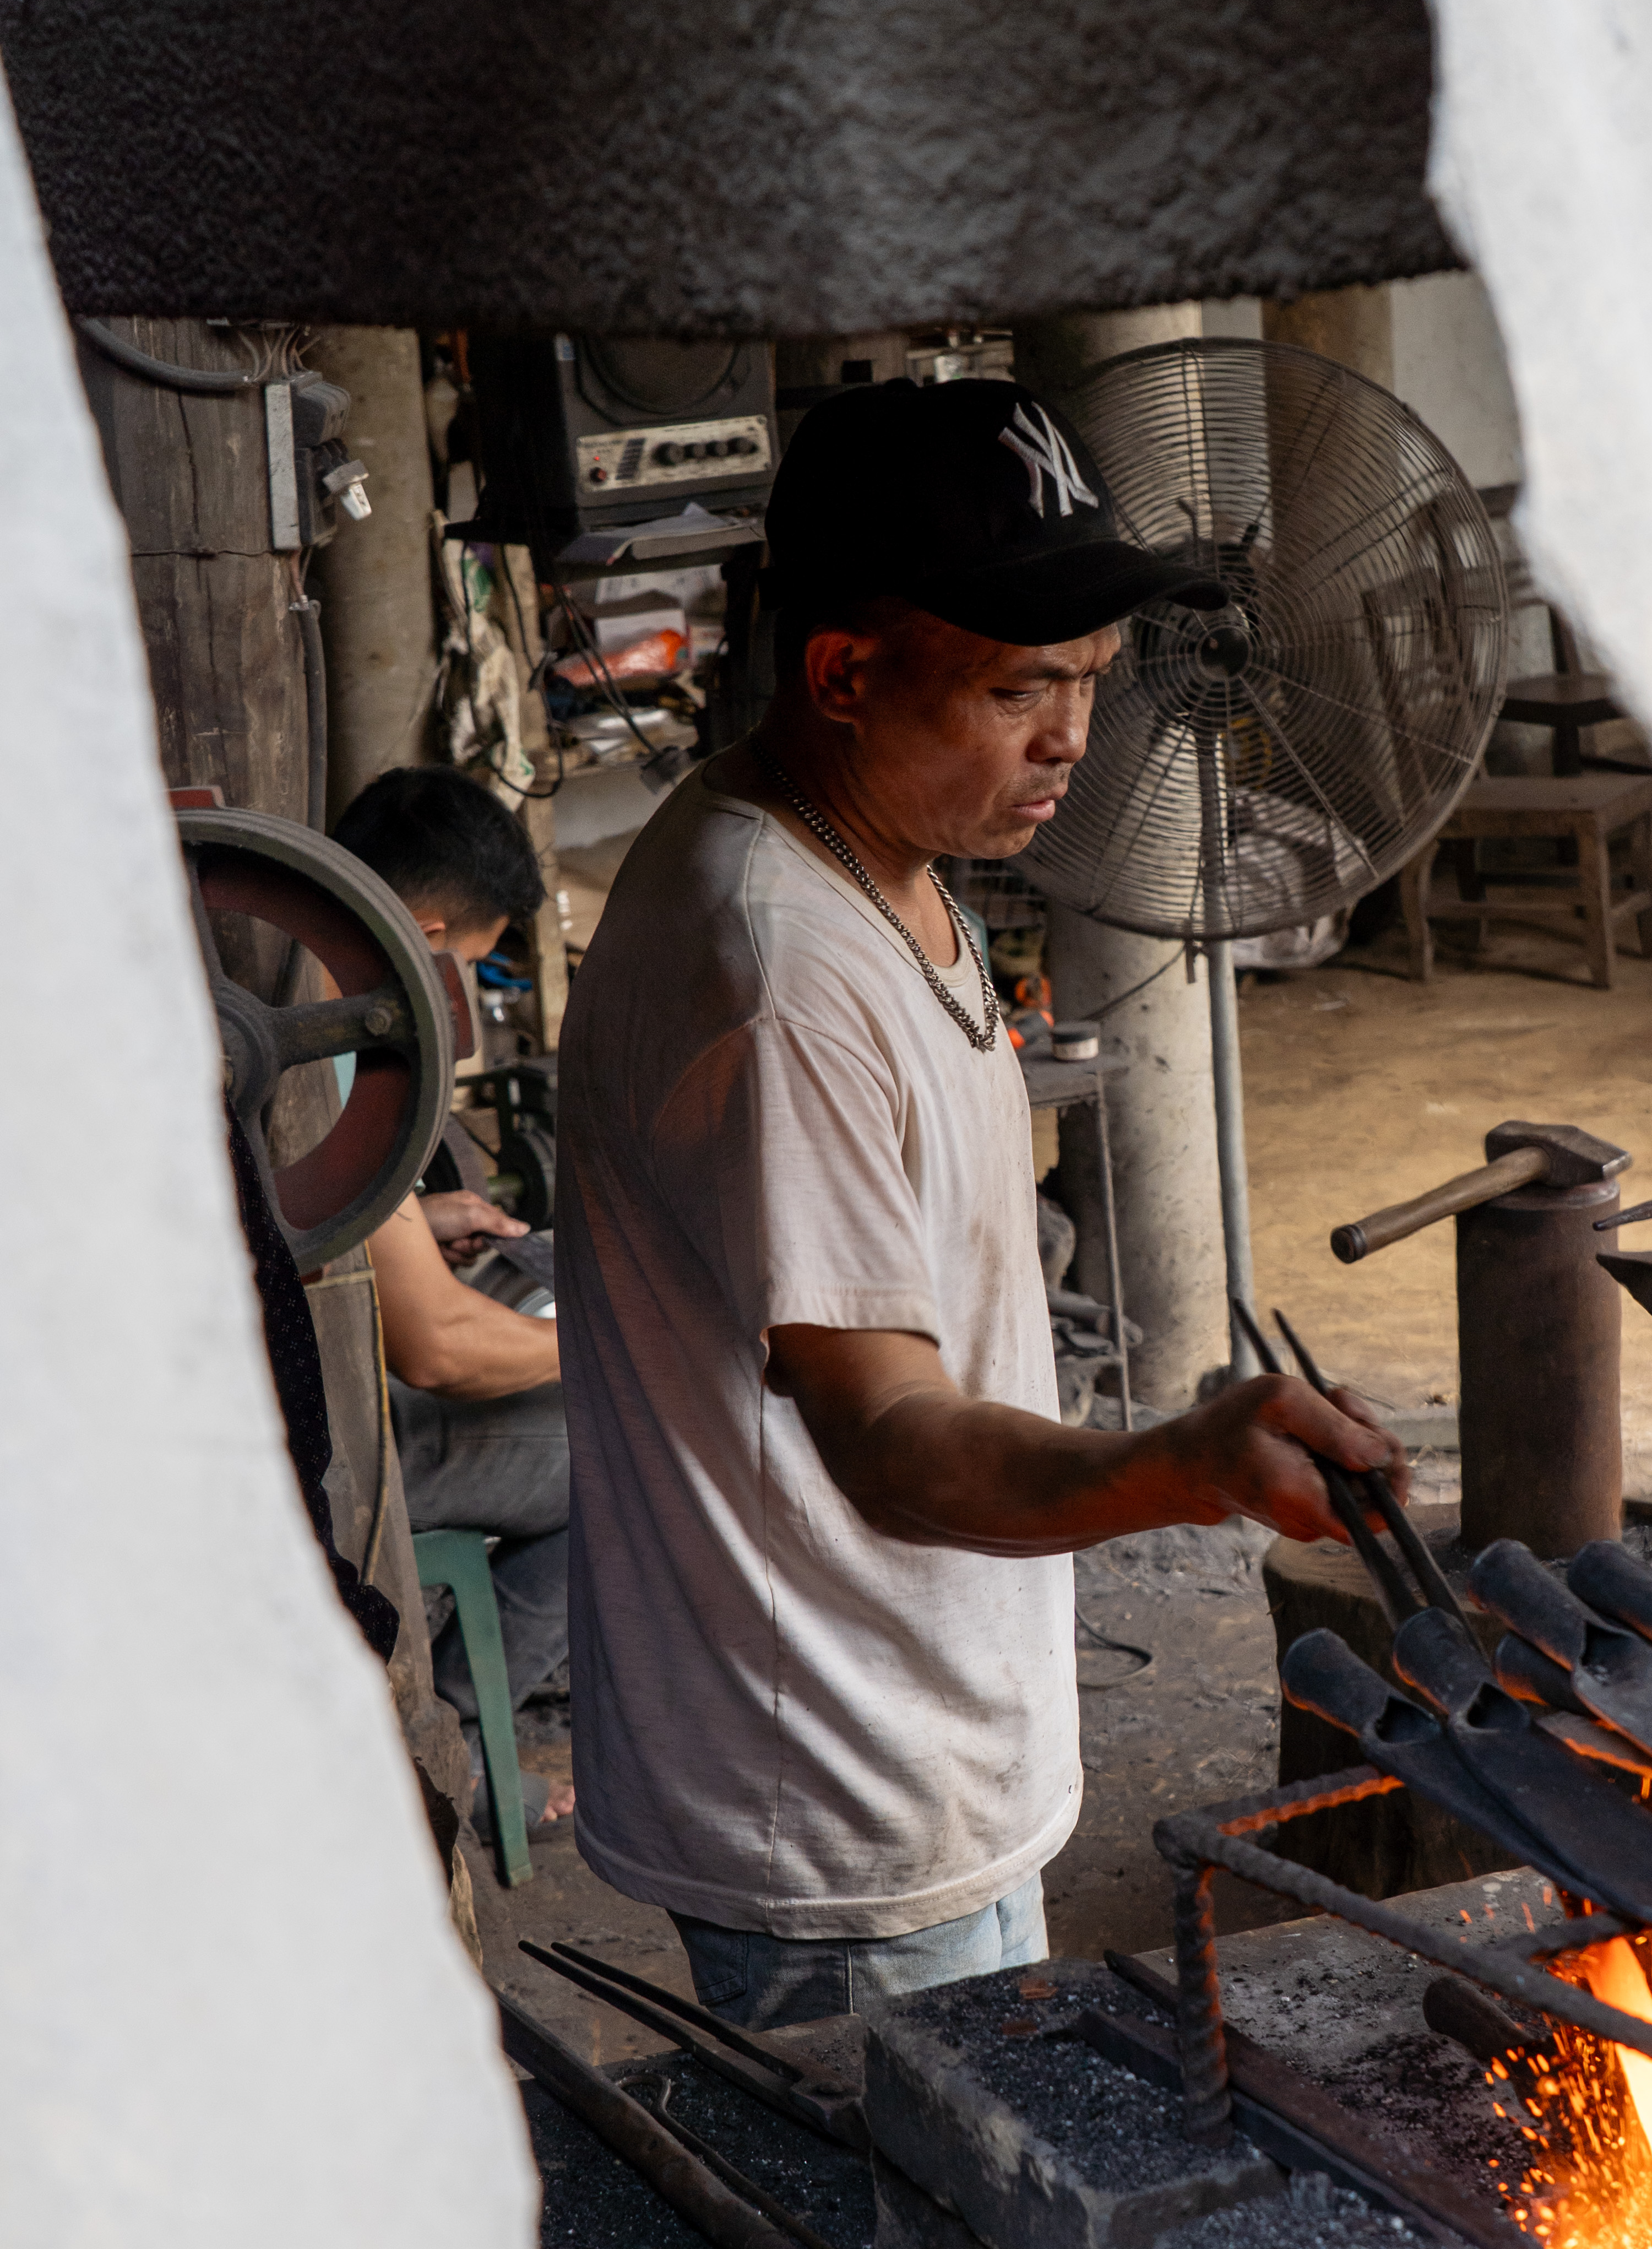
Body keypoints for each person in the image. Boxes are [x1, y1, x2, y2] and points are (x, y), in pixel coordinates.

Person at [556, 378, 1404, 2028]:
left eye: (1090, 682)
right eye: (1022, 685)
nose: (1074, 738)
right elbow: (893, 1439)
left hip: (914, 1739)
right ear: (847, 675)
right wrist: (1189, 1460)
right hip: (849, 1816)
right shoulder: (780, 978)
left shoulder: (876, 857)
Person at [330, 767, 575, 1833]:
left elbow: (301, 1215)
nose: (460, 993)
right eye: (467, 966)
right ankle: (463, 1756)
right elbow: (438, 1350)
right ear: (426, 931)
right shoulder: (329, 1045)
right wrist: (627, 1342)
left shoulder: (285, 979)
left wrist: (409, 1224)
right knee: (622, 1452)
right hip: (330, 1448)